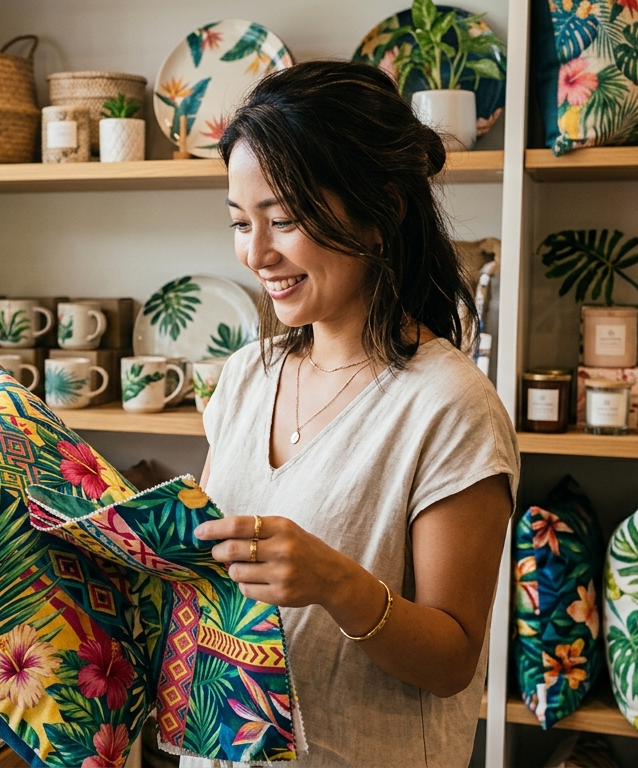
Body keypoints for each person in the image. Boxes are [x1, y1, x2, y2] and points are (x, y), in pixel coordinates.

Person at [189, 60, 519, 767]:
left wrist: (338, 585)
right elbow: (207, 569)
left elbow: (454, 658)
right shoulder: (247, 376)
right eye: (240, 222)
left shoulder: (450, 406)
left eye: (283, 219)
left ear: (384, 208)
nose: (257, 252)